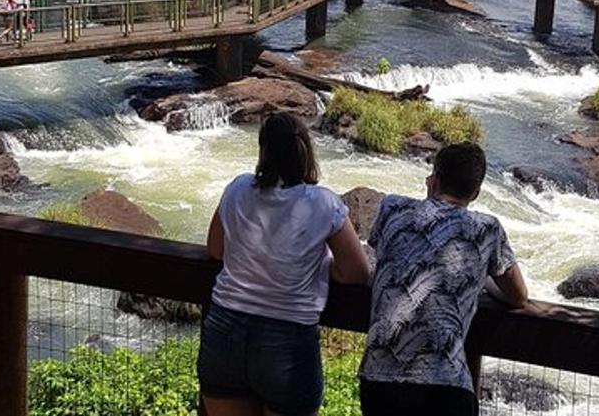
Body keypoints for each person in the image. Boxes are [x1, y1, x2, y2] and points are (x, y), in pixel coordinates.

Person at [198, 112, 371, 416]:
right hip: (287, 344)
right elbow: (357, 272)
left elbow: (216, 250)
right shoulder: (323, 203)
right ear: (305, 151)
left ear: (263, 152)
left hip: (224, 333)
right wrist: (323, 265)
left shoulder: (237, 189)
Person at [360, 142, 528, 416]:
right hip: (445, 384)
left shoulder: (392, 207)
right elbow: (519, 296)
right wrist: (483, 281)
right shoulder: (486, 229)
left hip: (379, 379)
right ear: (475, 192)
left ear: (434, 178)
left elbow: (390, 254)